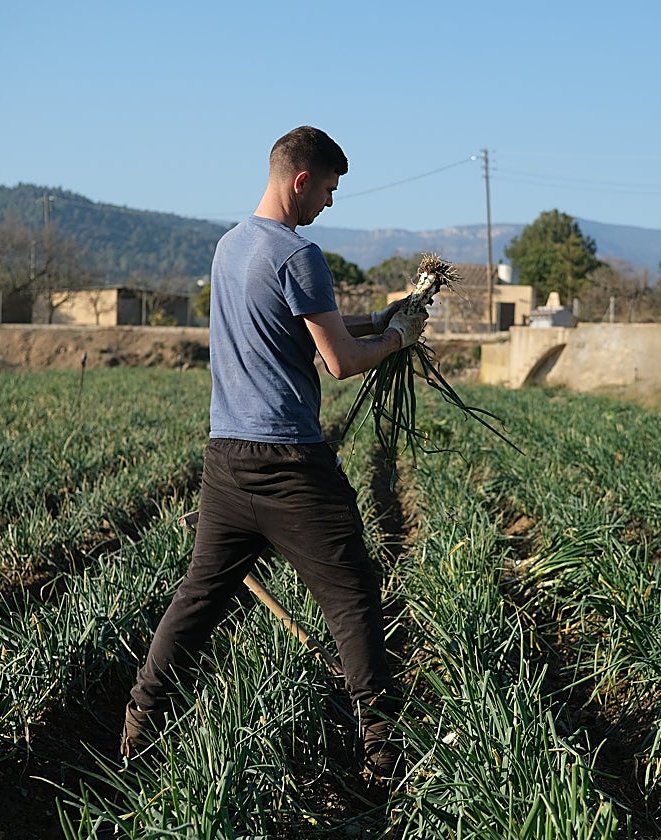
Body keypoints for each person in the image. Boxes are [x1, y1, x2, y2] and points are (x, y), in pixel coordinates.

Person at [120, 126, 427, 783]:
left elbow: (311, 325)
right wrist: (398, 338)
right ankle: (380, 753)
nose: (329, 203)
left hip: (226, 460)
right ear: (300, 181)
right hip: (291, 465)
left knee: (197, 601)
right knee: (352, 600)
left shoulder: (230, 249)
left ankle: (136, 733)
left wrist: (387, 315)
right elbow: (340, 360)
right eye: (328, 189)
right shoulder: (299, 254)